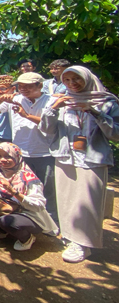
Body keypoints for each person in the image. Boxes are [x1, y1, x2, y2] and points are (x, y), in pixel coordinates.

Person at [39, 66, 119, 262]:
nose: (72, 83)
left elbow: (115, 134)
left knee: (88, 202)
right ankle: (69, 236)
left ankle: (83, 244)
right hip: (65, 156)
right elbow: (46, 130)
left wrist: (96, 113)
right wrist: (53, 108)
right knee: (66, 199)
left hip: (93, 159)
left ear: (88, 78)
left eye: (76, 78)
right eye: (67, 79)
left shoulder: (106, 102)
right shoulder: (60, 100)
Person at [0, 72, 58, 222]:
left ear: (40, 86)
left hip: (45, 152)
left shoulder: (50, 101)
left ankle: (51, 222)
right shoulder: (15, 99)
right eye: (21, 86)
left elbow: (51, 126)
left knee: (47, 190)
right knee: (22, 189)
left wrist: (26, 116)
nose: (24, 89)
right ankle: (25, 218)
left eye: (28, 86)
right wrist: (2, 98)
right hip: (21, 154)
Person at [0, 143, 58, 251]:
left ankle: (27, 238)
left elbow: (38, 205)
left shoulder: (28, 176)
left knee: (6, 221)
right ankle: (3, 231)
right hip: (4, 208)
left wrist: (12, 191)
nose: (2, 160)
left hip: (28, 214)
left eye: (7, 156)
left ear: (16, 156)